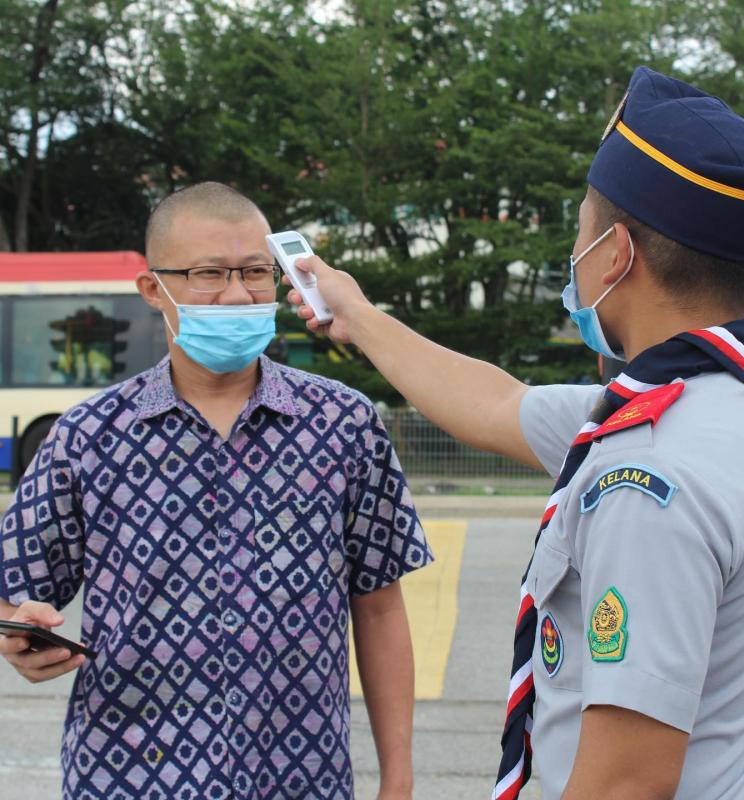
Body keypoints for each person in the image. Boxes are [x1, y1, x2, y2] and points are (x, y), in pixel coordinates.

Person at [285, 67, 744, 799]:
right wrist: (358, 316)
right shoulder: (713, 404)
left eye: (582, 229)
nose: (575, 251)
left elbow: (625, 783)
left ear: (616, 255)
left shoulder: (652, 476)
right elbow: (498, 403)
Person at [0, 182, 432, 800]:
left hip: (299, 781)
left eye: (254, 272)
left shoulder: (345, 424)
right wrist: (20, 633)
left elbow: (382, 608)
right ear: (155, 289)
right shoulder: (86, 438)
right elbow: (14, 592)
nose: (236, 294)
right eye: (208, 274)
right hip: (127, 779)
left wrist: (399, 779)